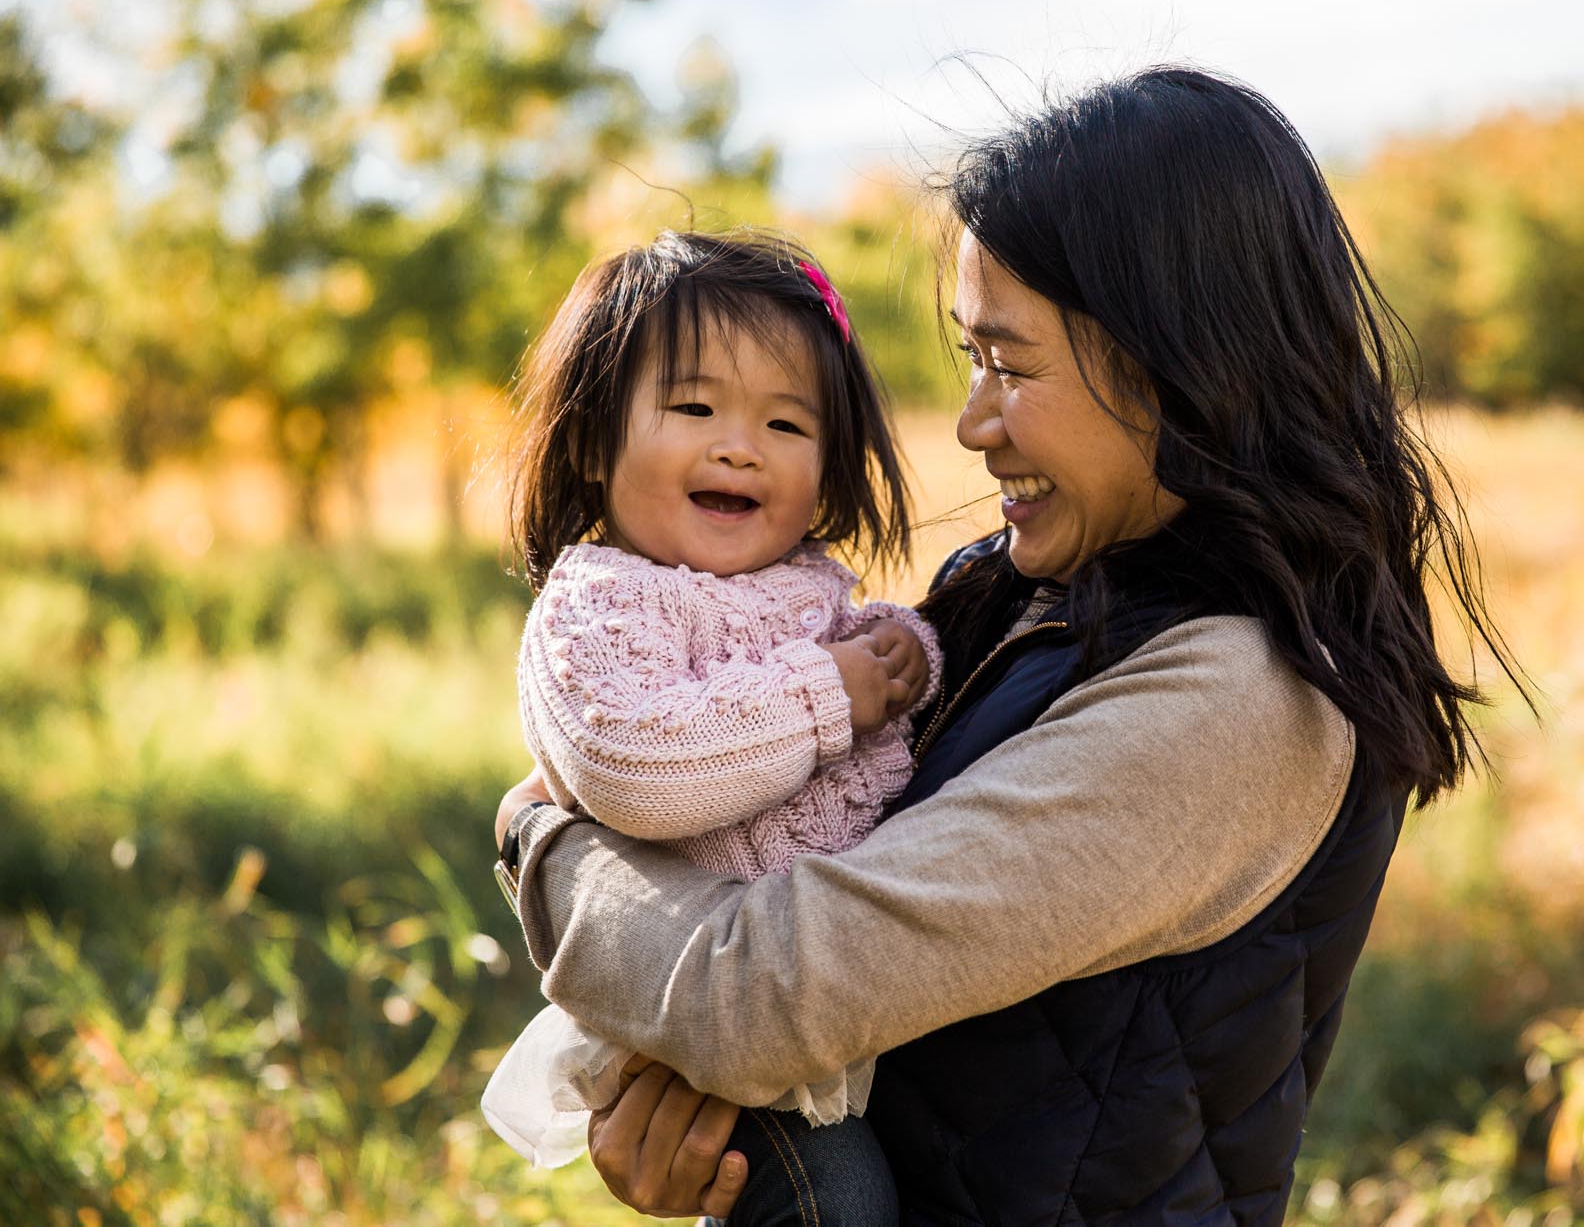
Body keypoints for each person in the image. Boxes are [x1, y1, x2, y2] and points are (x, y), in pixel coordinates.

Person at [494, 67, 1520, 1224]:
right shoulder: (1028, 593)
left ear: (1182, 365)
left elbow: (757, 995)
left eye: (1010, 364)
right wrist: (717, 1139)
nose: (973, 421)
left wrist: (542, 831)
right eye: (969, 359)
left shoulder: (1233, 698)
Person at [485, 229, 939, 1224]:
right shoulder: (600, 603)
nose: (738, 445)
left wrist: (897, 653)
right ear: (594, 438)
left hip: (823, 995)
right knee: (835, 1199)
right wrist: (830, 691)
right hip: (705, 1033)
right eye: (692, 408)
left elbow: (861, 682)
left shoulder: (802, 589)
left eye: (786, 423)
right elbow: (637, 763)